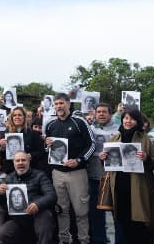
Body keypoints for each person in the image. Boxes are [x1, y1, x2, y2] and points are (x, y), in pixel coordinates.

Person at [98, 107, 154, 244]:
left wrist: (146, 159)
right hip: (119, 189)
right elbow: (108, 165)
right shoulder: (115, 138)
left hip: (139, 189)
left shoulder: (145, 139)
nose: (128, 121)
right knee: (123, 224)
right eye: (126, 118)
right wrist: (102, 158)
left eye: (132, 119)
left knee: (140, 225)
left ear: (137, 121)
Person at [44, 92, 95, 244]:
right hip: (57, 173)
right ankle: (64, 240)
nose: (59, 106)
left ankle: (84, 240)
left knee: (81, 212)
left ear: (68, 103)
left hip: (77, 172)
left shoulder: (79, 121)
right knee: (61, 210)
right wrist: (47, 146)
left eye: (61, 103)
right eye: (56, 103)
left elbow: (92, 144)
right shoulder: (51, 124)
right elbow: (47, 150)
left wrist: (79, 160)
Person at [0, 150, 57, 244]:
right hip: (18, 219)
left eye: (23, 160)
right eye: (17, 160)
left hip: (37, 215)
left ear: (29, 161)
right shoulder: (9, 178)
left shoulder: (40, 175)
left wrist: (37, 204)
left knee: (45, 218)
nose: (20, 163)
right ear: (13, 163)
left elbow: (51, 195)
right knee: (2, 233)